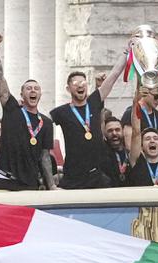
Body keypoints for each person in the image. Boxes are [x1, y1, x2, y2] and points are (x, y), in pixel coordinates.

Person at [0, 33, 56, 190]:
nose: (33, 91)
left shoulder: (46, 122)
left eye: (36, 88)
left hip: (29, 182)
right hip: (4, 179)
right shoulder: (12, 109)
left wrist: (51, 185)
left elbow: (44, 156)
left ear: (40, 94)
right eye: (28, 88)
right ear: (21, 94)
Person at [50, 58, 126, 189]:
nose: (80, 85)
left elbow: (113, 76)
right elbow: (42, 121)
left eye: (83, 82)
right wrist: (23, 109)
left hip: (97, 174)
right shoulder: (61, 111)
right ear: (68, 89)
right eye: (75, 83)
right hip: (73, 175)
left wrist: (127, 53)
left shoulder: (94, 102)